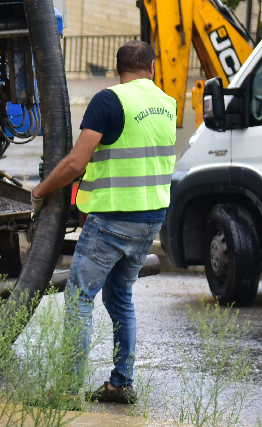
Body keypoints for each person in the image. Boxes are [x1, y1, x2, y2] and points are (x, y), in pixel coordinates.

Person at [31, 41, 175, 404]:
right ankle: (121, 383)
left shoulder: (110, 100)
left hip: (113, 217)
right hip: (151, 217)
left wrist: (39, 191)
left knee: (79, 297)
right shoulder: (167, 104)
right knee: (120, 296)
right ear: (152, 68)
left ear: (118, 69)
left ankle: (66, 389)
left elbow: (76, 163)